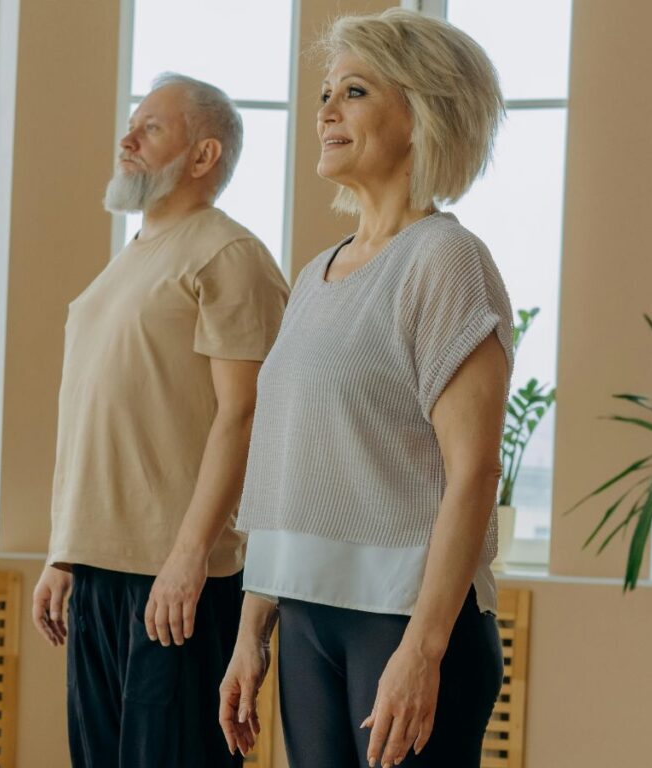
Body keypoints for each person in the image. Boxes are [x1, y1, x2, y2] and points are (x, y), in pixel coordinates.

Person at [219, 9, 513, 768]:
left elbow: (475, 471)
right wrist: (252, 630)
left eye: (353, 91)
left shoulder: (445, 259)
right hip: (308, 616)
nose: (325, 111)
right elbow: (290, 468)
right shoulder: (318, 274)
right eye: (325, 92)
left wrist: (423, 649)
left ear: (423, 113)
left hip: (403, 623)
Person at [31, 72, 289, 768]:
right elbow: (95, 413)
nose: (127, 138)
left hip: (176, 579)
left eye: (150, 128)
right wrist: (65, 552)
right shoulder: (128, 264)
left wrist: (189, 556)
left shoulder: (229, 255)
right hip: (99, 572)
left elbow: (245, 414)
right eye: (131, 123)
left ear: (202, 157)